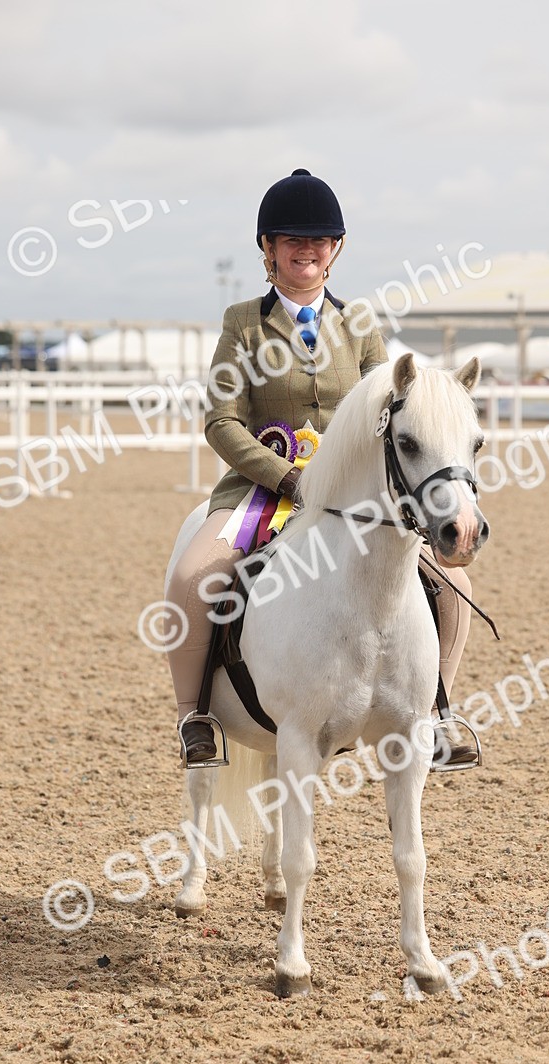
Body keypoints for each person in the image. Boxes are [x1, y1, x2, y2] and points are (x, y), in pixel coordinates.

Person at [165, 169, 476, 768]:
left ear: (335, 250)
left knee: (456, 585)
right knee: (192, 579)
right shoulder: (243, 324)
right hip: (262, 491)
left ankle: (438, 714)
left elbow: (391, 407)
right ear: (268, 250)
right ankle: (195, 716)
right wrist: (286, 477)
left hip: (355, 498)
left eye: (318, 240)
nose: (305, 249)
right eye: (290, 239)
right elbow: (221, 422)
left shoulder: (359, 324)